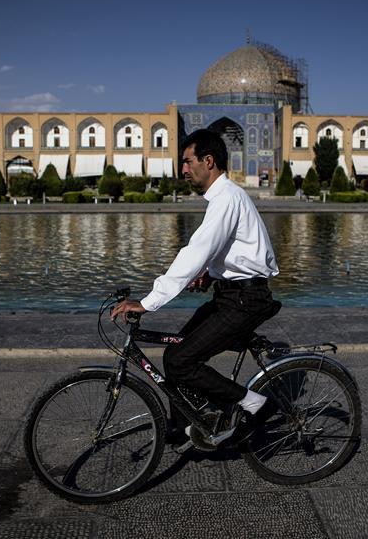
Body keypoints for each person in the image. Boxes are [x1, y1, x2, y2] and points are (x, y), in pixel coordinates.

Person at [111, 128, 280, 445]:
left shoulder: (226, 198)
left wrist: (149, 302)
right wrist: (210, 273)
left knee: (180, 361)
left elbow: (197, 249)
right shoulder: (223, 197)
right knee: (176, 352)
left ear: (209, 160)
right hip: (232, 295)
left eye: (188, 162)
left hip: (245, 300)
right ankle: (190, 423)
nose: (183, 169)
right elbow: (228, 251)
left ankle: (254, 403)